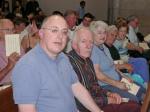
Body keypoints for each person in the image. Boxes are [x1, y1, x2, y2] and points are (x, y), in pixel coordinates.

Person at [12, 15, 103, 112]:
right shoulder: (27, 66)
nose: (60, 37)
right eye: (54, 30)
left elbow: (77, 87)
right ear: (41, 34)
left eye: (64, 32)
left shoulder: (62, 57)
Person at [68, 27, 141, 112]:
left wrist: (109, 94)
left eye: (91, 42)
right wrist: (107, 100)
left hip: (99, 99)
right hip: (90, 107)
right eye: (83, 41)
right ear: (74, 44)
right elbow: (79, 100)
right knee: (133, 106)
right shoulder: (70, 64)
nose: (88, 46)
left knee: (134, 104)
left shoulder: (87, 60)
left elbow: (95, 86)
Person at [90, 20, 145, 102]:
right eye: (99, 33)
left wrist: (124, 76)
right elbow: (98, 75)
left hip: (118, 79)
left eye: (104, 32)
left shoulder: (104, 47)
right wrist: (117, 84)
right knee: (134, 100)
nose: (103, 35)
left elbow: (113, 66)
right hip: (107, 85)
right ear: (92, 34)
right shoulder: (92, 50)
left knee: (142, 90)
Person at [0, 19, 21, 84]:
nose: (11, 32)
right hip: (6, 88)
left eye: (12, 29)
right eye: (7, 30)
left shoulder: (16, 44)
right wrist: (9, 66)